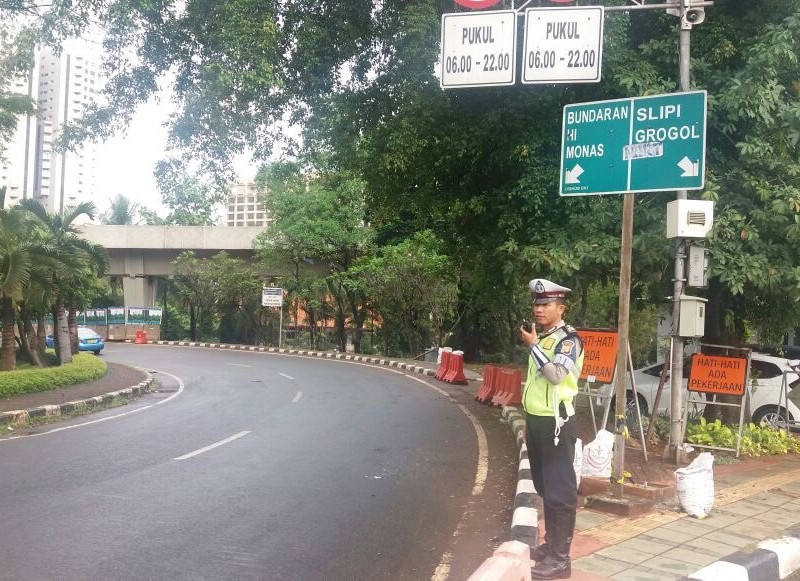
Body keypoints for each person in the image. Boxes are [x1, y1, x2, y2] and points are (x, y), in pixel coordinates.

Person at [519, 278, 584, 580]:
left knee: (560, 491)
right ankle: (550, 545)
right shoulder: (545, 337)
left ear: (561, 307)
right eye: (536, 303)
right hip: (537, 421)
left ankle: (561, 559)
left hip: (558, 423)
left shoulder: (568, 340)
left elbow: (556, 375)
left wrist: (533, 347)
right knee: (545, 487)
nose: (539, 308)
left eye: (545, 304)